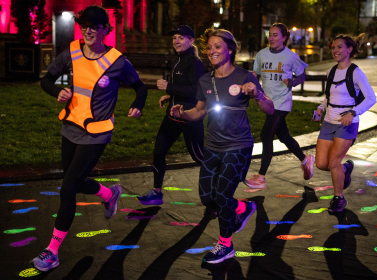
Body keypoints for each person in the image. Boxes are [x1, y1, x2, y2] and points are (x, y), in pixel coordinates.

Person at [31, 5, 147, 271]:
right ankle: (109, 193)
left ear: (106, 29)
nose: (88, 30)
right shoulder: (72, 50)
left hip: (97, 134)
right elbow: (46, 80)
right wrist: (55, 93)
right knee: (75, 181)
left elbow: (140, 88)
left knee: (68, 188)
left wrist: (138, 104)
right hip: (70, 127)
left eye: (94, 26)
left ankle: (52, 251)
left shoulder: (118, 61)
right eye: (83, 25)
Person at [170, 27, 274, 263]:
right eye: (209, 48)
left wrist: (257, 94)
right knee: (208, 198)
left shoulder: (245, 76)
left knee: (222, 194)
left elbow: (270, 109)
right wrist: (182, 114)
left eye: (218, 47)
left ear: (230, 49)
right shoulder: (205, 80)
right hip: (213, 146)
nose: (212, 51)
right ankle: (241, 208)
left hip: (239, 146)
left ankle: (225, 245)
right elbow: (198, 112)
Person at [137, 25, 205, 205]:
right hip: (172, 116)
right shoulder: (178, 60)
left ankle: (220, 186)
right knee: (158, 152)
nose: (176, 41)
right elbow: (184, 87)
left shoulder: (194, 62)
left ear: (191, 40)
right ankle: (156, 192)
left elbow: (197, 91)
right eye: (174, 37)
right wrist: (170, 96)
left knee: (200, 157)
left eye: (181, 38)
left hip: (189, 116)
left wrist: (170, 87)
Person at [244, 23, 314, 191]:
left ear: (284, 38)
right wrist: (253, 80)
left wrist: (293, 81)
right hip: (267, 102)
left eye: (276, 35)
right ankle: (305, 160)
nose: (272, 38)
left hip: (282, 102)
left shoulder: (291, 56)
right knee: (283, 136)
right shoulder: (261, 55)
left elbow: (302, 75)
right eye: (270, 34)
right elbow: (256, 75)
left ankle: (261, 177)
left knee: (266, 134)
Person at [314, 34, 376, 212]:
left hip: (347, 123)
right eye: (333, 47)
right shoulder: (331, 71)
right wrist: (320, 108)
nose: (335, 50)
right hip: (328, 121)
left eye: (340, 47)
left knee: (333, 162)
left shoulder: (356, 72)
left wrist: (353, 112)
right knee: (321, 164)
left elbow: (371, 98)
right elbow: (329, 97)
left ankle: (338, 198)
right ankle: (346, 168)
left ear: (349, 50)